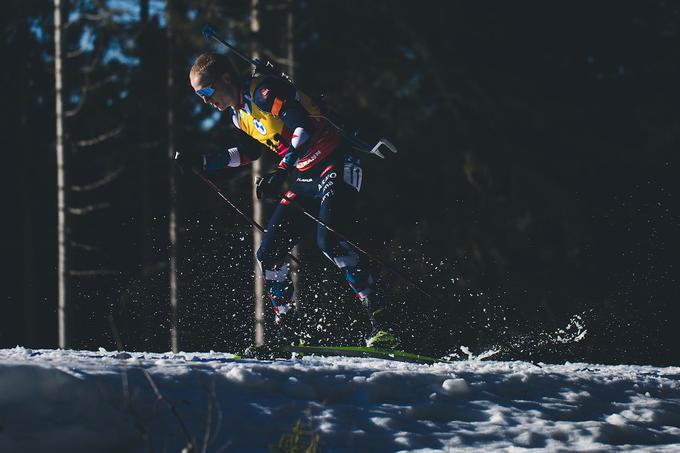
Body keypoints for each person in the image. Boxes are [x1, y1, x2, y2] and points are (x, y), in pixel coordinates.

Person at [178, 52, 397, 355]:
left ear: (226, 79)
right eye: (199, 95)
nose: (205, 100)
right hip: (306, 177)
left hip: (336, 162)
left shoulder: (263, 92)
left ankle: (384, 321)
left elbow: (302, 127)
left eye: (207, 91)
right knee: (268, 253)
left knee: (328, 240)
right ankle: (292, 333)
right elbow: (249, 151)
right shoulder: (239, 114)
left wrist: (281, 170)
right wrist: (201, 161)